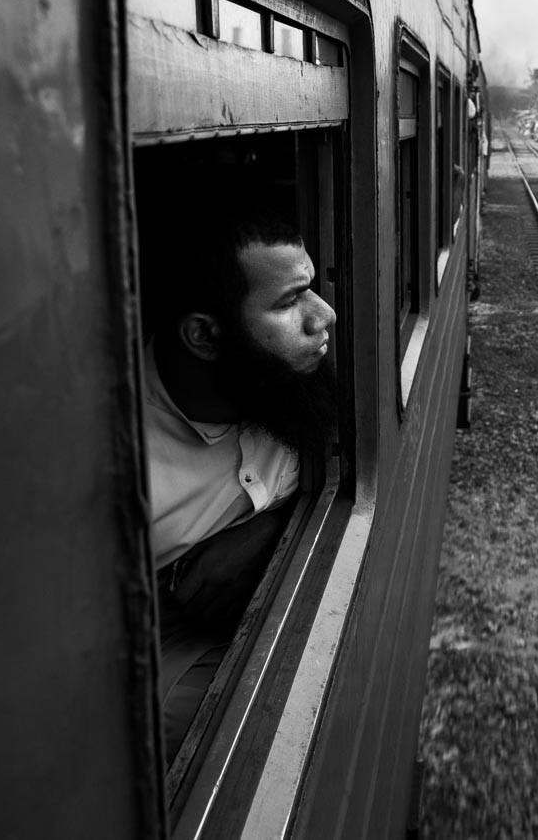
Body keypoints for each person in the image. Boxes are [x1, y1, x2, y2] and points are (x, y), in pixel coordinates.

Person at [141, 193, 338, 758]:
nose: (324, 315)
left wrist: (267, 534)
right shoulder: (110, 465)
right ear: (204, 336)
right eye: (291, 300)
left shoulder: (289, 368)